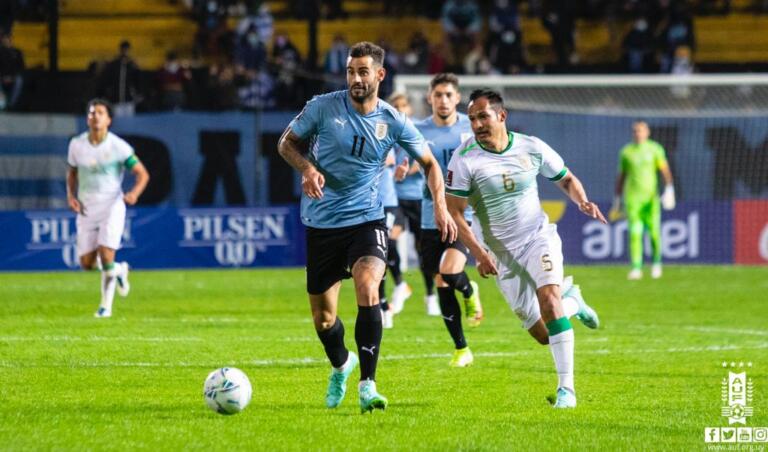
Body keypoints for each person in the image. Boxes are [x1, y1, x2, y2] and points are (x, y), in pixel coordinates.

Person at [277, 42, 456, 413]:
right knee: (324, 320)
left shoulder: (393, 120)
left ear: (379, 75)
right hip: (322, 222)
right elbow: (286, 143)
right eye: (350, 71)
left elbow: (430, 164)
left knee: (368, 285)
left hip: (367, 218)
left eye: (363, 71)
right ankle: (343, 365)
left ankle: (368, 385)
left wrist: (440, 206)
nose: (356, 78)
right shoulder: (322, 107)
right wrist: (308, 169)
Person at [445, 89, 602, 408]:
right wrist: (478, 252)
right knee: (544, 334)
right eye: (472, 118)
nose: (477, 124)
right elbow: (454, 212)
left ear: (501, 116)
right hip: (500, 254)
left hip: (537, 238)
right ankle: (575, 303)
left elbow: (566, 178)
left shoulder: (531, 147)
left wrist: (581, 200)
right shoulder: (464, 159)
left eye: (483, 116)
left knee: (549, 299)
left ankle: (567, 391)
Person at [413, 73, 483, 368]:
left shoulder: (471, 128)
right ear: (430, 98)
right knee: (441, 281)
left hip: (463, 215)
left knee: (450, 272)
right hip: (430, 217)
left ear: (457, 99)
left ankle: (469, 290)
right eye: (438, 94)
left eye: (448, 95)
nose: (443, 100)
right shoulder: (417, 130)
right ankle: (461, 349)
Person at [66, 99, 150, 318]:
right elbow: (72, 171)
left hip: (112, 204)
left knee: (106, 255)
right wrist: (70, 195)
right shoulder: (76, 144)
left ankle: (105, 306)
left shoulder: (118, 147)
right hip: (87, 207)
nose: (95, 116)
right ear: (87, 118)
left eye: (100, 112)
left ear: (109, 120)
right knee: (86, 263)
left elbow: (142, 173)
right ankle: (120, 270)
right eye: (92, 112)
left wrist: (134, 193)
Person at [610, 121, 675, 280]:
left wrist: (669, 189)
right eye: (635, 131)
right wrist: (617, 198)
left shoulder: (655, 149)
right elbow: (621, 176)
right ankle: (636, 267)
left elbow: (664, 170)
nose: (637, 134)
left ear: (647, 132)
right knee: (635, 233)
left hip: (651, 198)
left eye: (640, 131)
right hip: (632, 199)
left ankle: (656, 264)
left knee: (654, 233)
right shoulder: (626, 152)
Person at [386, 93, 433, 316]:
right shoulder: (386, 129)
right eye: (395, 106)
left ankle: (431, 294)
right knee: (388, 241)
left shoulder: (417, 130)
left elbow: (424, 158)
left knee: (421, 249)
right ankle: (400, 285)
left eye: (403, 105)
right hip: (395, 199)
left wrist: (407, 171)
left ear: (410, 109)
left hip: (418, 197)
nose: (400, 109)